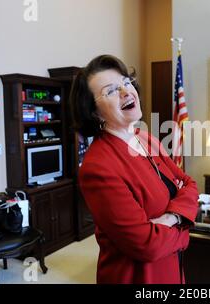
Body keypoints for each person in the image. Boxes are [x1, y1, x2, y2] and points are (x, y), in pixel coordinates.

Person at [69, 55, 199, 284]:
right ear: (94, 112)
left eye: (126, 83)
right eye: (110, 91)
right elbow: (146, 245)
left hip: (171, 270)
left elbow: (190, 185)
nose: (126, 92)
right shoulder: (97, 167)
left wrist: (169, 219)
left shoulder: (148, 139)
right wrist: (184, 224)